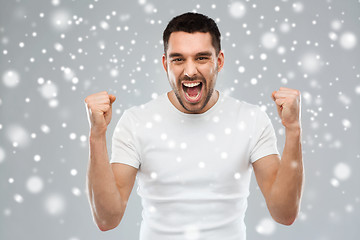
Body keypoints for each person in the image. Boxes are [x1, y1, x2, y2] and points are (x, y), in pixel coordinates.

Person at [84, 12, 304, 240]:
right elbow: (107, 219)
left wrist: (293, 128)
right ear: (165, 63)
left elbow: (284, 213)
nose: (190, 71)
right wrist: (97, 135)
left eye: (201, 58)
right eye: (178, 59)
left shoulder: (251, 119)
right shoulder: (136, 122)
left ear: (219, 61)